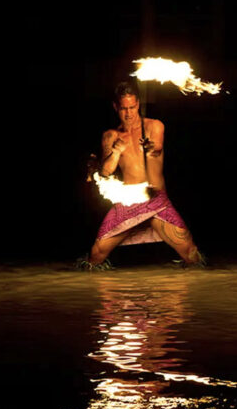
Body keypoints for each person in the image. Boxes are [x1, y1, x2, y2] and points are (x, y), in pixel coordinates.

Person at [77, 82, 203, 270]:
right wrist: (116, 152)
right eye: (123, 108)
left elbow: (157, 147)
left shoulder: (154, 126)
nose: (128, 113)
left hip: (156, 200)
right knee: (95, 256)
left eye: (132, 107)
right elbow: (105, 172)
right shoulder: (110, 136)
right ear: (115, 107)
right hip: (129, 202)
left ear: (138, 104)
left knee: (191, 253)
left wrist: (151, 148)